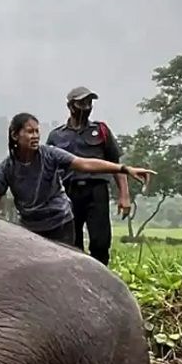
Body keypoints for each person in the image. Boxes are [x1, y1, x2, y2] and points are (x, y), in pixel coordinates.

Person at [0, 113, 154, 245]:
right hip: (30, 228)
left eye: (37, 132)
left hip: (60, 223)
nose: (35, 136)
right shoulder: (7, 168)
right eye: (29, 132)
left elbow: (85, 164)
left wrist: (124, 169)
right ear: (15, 135)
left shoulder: (49, 154)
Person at [46, 86, 131, 265]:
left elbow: (116, 164)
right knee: (70, 244)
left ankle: (101, 280)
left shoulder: (101, 130)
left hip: (96, 191)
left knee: (100, 242)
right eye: (82, 103)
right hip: (68, 193)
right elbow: (47, 169)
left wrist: (124, 196)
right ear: (70, 106)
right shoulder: (56, 136)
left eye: (89, 102)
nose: (86, 106)